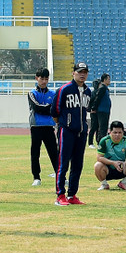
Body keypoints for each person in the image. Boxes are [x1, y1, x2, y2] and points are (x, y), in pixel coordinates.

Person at [53, 62, 92, 206]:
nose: (82, 74)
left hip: (81, 133)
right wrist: (64, 124)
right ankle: (60, 195)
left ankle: (72, 194)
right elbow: (55, 110)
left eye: (85, 72)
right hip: (67, 131)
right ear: (73, 73)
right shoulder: (65, 89)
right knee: (63, 164)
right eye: (80, 71)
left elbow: (86, 110)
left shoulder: (88, 91)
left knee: (78, 164)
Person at [27, 68, 58, 186]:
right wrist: (48, 108)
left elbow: (54, 109)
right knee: (35, 153)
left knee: (54, 152)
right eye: (42, 78)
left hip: (49, 126)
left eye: (46, 79)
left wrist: (47, 109)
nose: (44, 81)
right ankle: (36, 177)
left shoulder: (53, 94)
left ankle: (60, 175)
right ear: (36, 78)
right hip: (36, 126)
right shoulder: (32, 93)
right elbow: (37, 108)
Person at [94, 120, 126, 191]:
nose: (117, 135)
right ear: (110, 132)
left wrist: (125, 163)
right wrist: (113, 163)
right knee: (97, 165)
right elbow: (99, 157)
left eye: (120, 133)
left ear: (123, 132)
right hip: (107, 169)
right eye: (115, 132)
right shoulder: (104, 141)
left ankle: (124, 183)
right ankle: (104, 184)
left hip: (121, 168)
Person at [88, 73, 112, 146]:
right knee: (102, 128)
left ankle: (100, 142)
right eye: (108, 79)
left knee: (103, 127)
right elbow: (97, 98)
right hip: (102, 111)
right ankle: (101, 143)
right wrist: (93, 108)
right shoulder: (102, 88)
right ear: (104, 80)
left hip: (105, 111)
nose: (110, 81)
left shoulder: (105, 88)